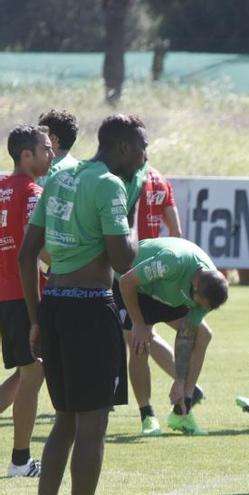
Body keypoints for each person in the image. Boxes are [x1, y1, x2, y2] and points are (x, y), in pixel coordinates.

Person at [19, 114, 146, 495]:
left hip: (54, 306)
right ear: (123, 147)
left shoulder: (59, 177)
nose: (144, 157)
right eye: (142, 148)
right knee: (93, 423)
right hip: (91, 311)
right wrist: (133, 217)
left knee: (65, 421)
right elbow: (124, 262)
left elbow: (27, 256)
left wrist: (35, 319)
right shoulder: (110, 185)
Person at [116, 237, 227, 436]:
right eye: (199, 304)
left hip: (168, 296)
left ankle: (182, 409)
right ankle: (147, 415)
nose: (200, 309)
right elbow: (127, 282)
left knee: (203, 335)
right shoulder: (171, 262)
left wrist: (180, 380)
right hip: (132, 285)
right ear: (195, 283)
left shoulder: (208, 292)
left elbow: (186, 336)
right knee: (139, 343)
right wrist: (140, 324)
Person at [0, 125, 53, 477]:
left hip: (5, 293)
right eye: (45, 148)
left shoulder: (1, 187)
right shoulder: (33, 192)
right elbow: (42, 249)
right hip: (23, 295)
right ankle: (21, 460)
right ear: (26, 155)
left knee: (26, 371)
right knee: (34, 374)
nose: (50, 154)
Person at [137, 164, 181, 239]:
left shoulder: (129, 181)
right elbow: (176, 231)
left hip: (128, 249)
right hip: (152, 248)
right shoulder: (163, 181)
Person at [37, 109, 79, 186]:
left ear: (52, 139)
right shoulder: (80, 170)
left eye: (41, 135)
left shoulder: (41, 172)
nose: (36, 140)